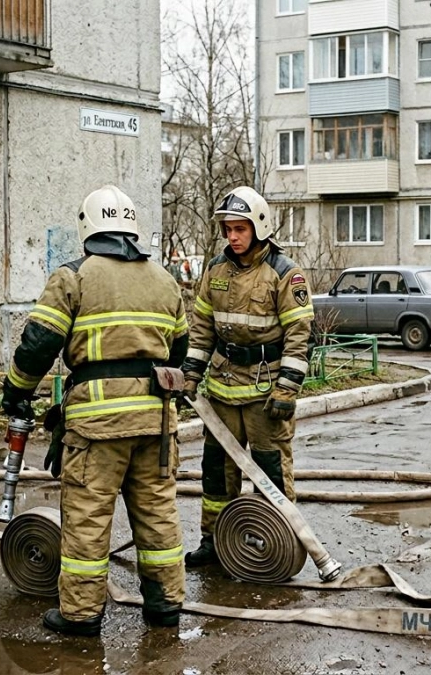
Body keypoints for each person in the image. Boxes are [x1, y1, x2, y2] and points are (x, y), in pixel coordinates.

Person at [1, 185, 189, 636]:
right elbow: (179, 350)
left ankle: (82, 615)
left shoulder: (73, 277)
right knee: (158, 514)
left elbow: (39, 344)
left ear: (86, 227)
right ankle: (165, 605)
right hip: (156, 424)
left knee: (87, 516)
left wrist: (16, 391)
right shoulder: (165, 280)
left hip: (97, 428)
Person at [180, 186, 315, 567]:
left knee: (269, 470)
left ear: (259, 227)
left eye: (240, 229)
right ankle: (214, 540)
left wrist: (287, 389)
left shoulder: (285, 274)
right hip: (222, 390)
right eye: (227, 230)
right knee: (216, 471)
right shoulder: (214, 271)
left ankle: (276, 541)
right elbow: (202, 326)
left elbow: (298, 336)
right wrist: (192, 372)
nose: (233, 237)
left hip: (265, 390)